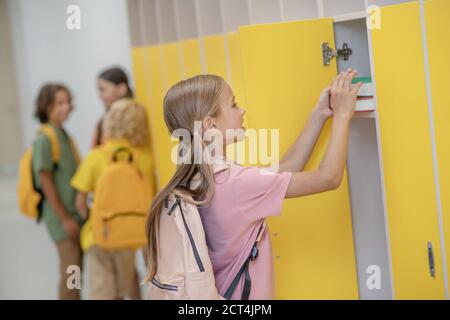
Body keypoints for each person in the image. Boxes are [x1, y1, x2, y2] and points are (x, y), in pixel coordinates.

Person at [145, 69, 363, 299]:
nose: (242, 111)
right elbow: (328, 177)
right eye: (233, 104)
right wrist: (342, 115)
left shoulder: (201, 177)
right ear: (210, 124)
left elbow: (286, 166)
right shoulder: (237, 183)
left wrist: (319, 113)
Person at [71, 98, 154, 299]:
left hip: (98, 235)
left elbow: (80, 202)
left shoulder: (96, 157)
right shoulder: (144, 158)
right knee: (121, 291)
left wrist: (93, 217)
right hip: (127, 237)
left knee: (102, 292)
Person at [32, 83, 83, 300]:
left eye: (67, 102)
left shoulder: (62, 133)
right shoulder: (45, 138)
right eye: (59, 103)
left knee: (76, 272)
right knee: (71, 272)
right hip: (62, 218)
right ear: (46, 106)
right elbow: (45, 180)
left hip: (72, 214)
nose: (66, 107)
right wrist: (65, 219)